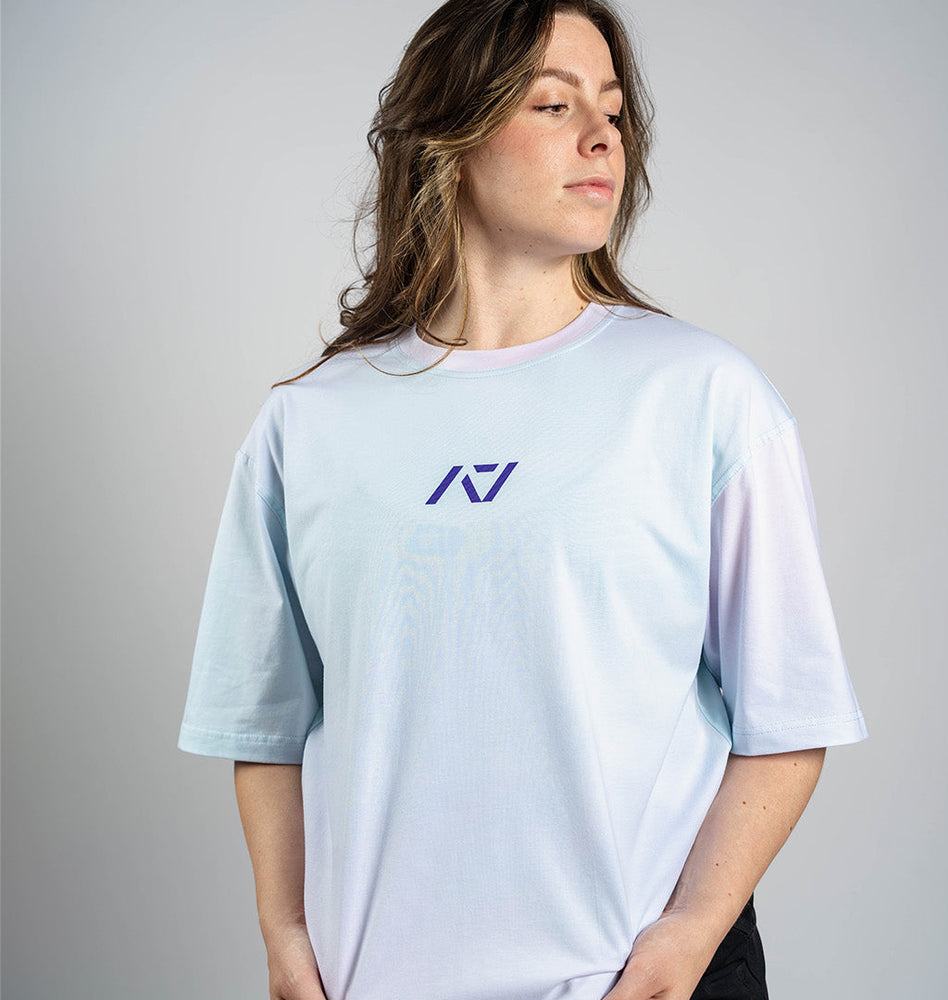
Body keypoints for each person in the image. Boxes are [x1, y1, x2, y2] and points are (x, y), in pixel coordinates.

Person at [178, 1, 868, 998]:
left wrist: (686, 939)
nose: (601, 137)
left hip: (639, 980)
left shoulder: (704, 395)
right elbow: (264, 724)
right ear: (449, 139)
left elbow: (789, 716)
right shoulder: (310, 423)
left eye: (613, 111)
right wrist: (285, 936)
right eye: (553, 104)